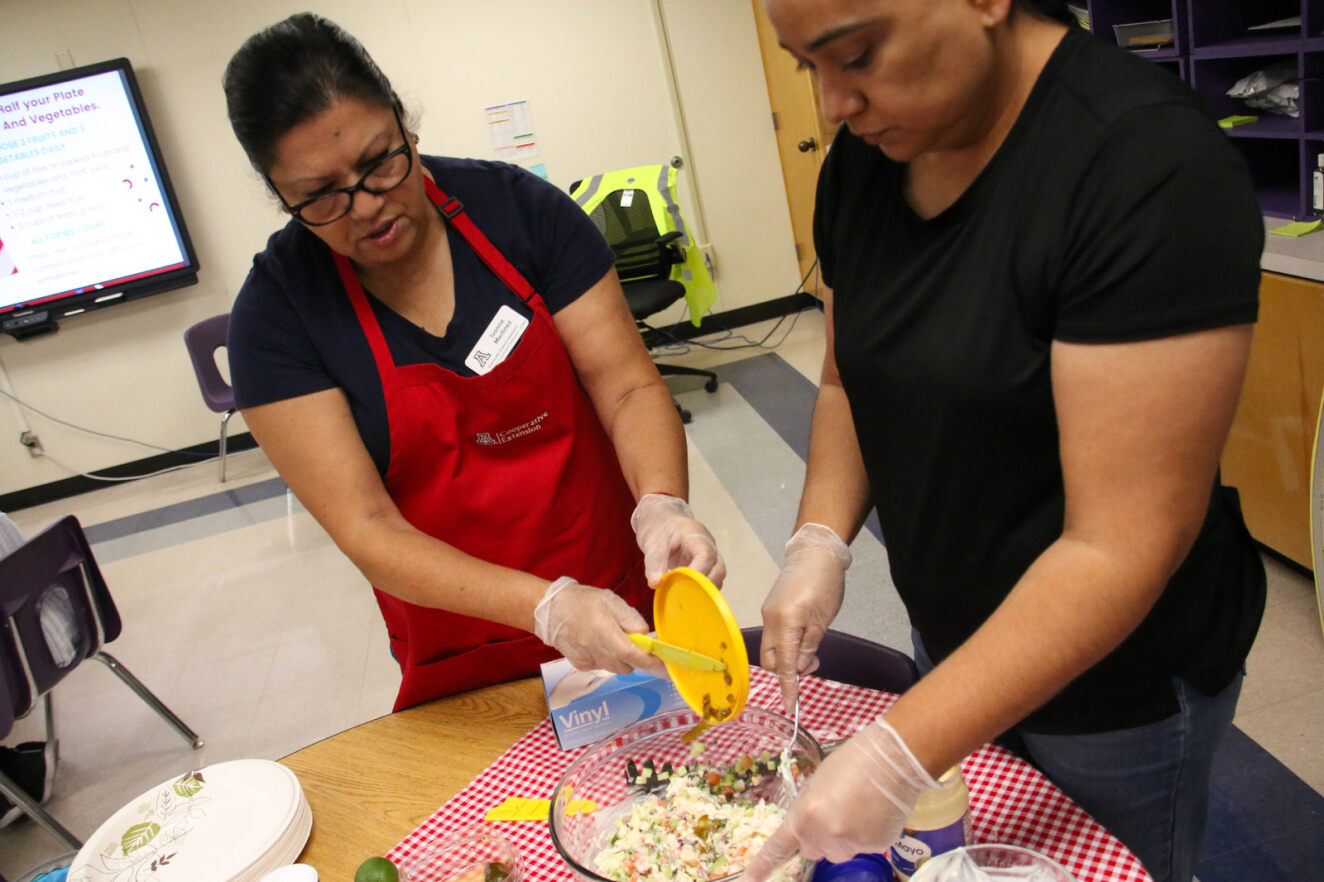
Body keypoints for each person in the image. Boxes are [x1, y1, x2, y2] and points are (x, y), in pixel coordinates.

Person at [747, 2, 1265, 881]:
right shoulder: (867, 162)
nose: (834, 104)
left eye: (858, 55)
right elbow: (846, 376)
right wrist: (819, 539)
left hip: (1117, 684)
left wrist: (895, 751)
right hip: (950, 630)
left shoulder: (1143, 165)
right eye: (806, 68)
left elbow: (1118, 544)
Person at [221, 14, 724, 712]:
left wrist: (663, 505)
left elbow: (627, 385)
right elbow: (367, 528)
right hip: (460, 645)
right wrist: (545, 606)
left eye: (381, 162)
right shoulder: (277, 316)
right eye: (323, 196)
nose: (368, 207)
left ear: (406, 124)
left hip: (621, 613)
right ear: (282, 197)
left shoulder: (521, 213)